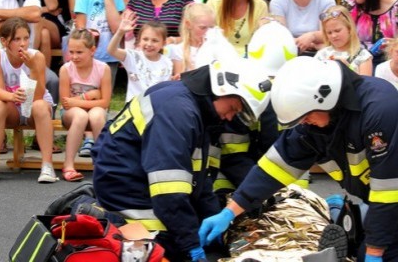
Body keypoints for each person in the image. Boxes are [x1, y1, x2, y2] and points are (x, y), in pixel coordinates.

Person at [199, 57, 398, 261]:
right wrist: (230, 211)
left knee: (390, 257)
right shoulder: (317, 117)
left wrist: (376, 252)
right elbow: (274, 166)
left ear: (325, 100)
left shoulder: (380, 110)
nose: (303, 124)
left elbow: (390, 193)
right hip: (397, 191)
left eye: (306, 118)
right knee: (360, 250)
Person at [92, 57, 271, 261]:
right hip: (130, 198)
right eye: (232, 108)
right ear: (221, 89)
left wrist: (213, 226)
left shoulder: (195, 109)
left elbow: (201, 183)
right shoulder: (178, 111)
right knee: (170, 250)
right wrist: (190, 245)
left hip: (142, 188)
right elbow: (169, 192)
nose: (230, 117)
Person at [0, 18, 55, 184]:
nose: (23, 43)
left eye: (26, 38)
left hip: (35, 106)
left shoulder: (37, 56)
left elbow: (39, 95)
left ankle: (47, 165)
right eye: (17, 39)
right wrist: (12, 97)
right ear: (4, 41)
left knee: (41, 106)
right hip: (13, 107)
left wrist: (34, 67)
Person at [58, 28, 111, 181]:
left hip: (94, 109)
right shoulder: (66, 69)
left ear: (92, 50)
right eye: (71, 52)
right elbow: (66, 103)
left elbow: (105, 102)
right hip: (71, 114)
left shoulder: (103, 69)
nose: (74, 57)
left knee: (97, 115)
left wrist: (79, 100)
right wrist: (90, 96)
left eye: (79, 52)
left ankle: (101, 165)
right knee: (80, 116)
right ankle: (68, 165)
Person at [74, 0, 124, 92]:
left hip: (111, 53)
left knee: (106, 97)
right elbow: (81, 27)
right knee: (90, 93)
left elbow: (118, 27)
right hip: (92, 55)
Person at [107, 10, 172, 102]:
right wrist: (120, 32)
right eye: (145, 39)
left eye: (155, 40)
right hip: (134, 108)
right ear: (139, 40)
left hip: (155, 107)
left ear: (163, 43)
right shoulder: (132, 56)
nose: (149, 44)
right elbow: (111, 50)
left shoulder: (167, 62)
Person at [313, 6, 372, 75]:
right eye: (329, 33)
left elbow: (366, 83)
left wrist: (348, 68)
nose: (333, 35)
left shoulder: (363, 55)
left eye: (337, 31)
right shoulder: (322, 54)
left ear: (349, 29)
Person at [169, 2, 216, 74]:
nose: (207, 32)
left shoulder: (216, 48)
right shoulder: (179, 50)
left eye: (211, 27)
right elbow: (180, 79)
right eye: (202, 28)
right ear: (188, 24)